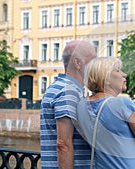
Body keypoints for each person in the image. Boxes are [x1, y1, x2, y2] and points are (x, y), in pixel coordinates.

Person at [40, 40, 97, 169]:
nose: (96, 64)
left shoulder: (60, 87)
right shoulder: (68, 91)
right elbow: (63, 144)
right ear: (77, 63)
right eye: (93, 59)